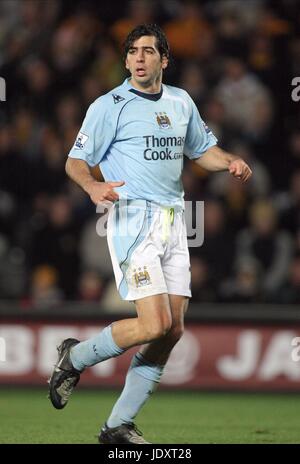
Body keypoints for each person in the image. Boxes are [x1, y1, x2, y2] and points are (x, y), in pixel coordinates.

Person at [48, 23, 252, 444]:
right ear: (126, 61)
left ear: (164, 59)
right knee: (155, 323)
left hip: (175, 222)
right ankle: (76, 356)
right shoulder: (110, 105)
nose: (140, 57)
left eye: (148, 51)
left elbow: (202, 151)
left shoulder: (180, 101)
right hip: (131, 221)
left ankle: (116, 426)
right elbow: (74, 161)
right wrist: (91, 186)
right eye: (133, 51)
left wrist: (229, 160)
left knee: (173, 330)